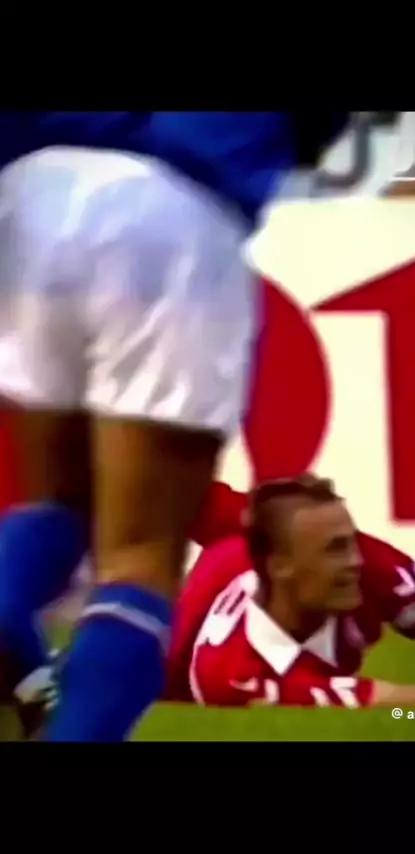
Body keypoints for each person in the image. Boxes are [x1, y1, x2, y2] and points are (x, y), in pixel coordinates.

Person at [0, 111, 351, 741]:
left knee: (58, 502)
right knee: (138, 558)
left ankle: (15, 639)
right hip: (174, 196)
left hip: (32, 195)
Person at [167, 476, 415, 708]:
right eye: (337, 548)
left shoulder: (363, 562)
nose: (356, 561)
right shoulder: (234, 674)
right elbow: (396, 703)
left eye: (351, 543)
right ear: (279, 566)